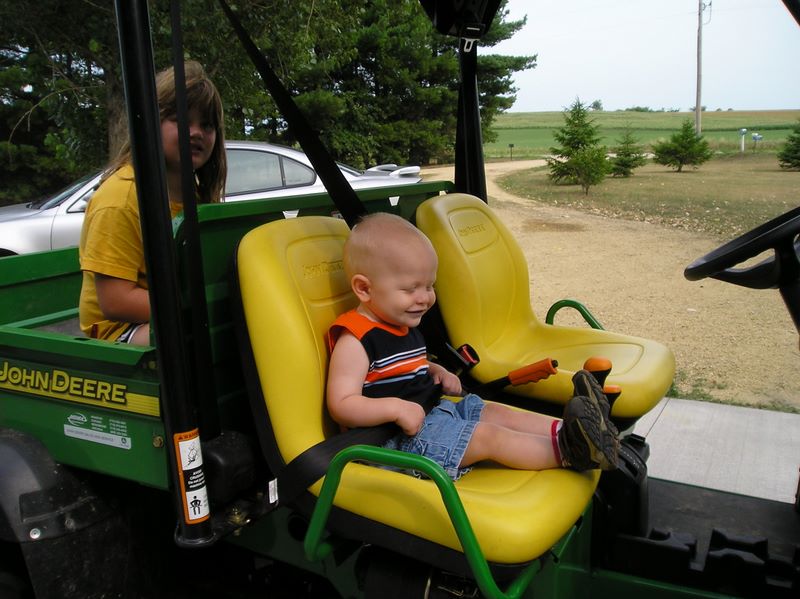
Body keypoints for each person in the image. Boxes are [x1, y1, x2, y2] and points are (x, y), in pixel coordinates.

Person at [326, 212, 619, 480]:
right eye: (410, 289)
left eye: (429, 286)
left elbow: (399, 367)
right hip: (392, 444)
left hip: (432, 414)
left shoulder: (397, 321)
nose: (424, 298)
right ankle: (571, 452)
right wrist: (394, 408)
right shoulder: (355, 340)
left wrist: (434, 369)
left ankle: (579, 431)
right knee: (489, 437)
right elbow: (341, 405)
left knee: (497, 413)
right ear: (364, 288)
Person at [78, 61, 226, 345]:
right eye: (181, 119)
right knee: (197, 340)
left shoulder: (197, 197)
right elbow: (116, 302)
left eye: (207, 125)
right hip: (121, 330)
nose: (196, 132)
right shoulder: (121, 199)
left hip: (178, 312)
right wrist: (201, 309)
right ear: (150, 122)